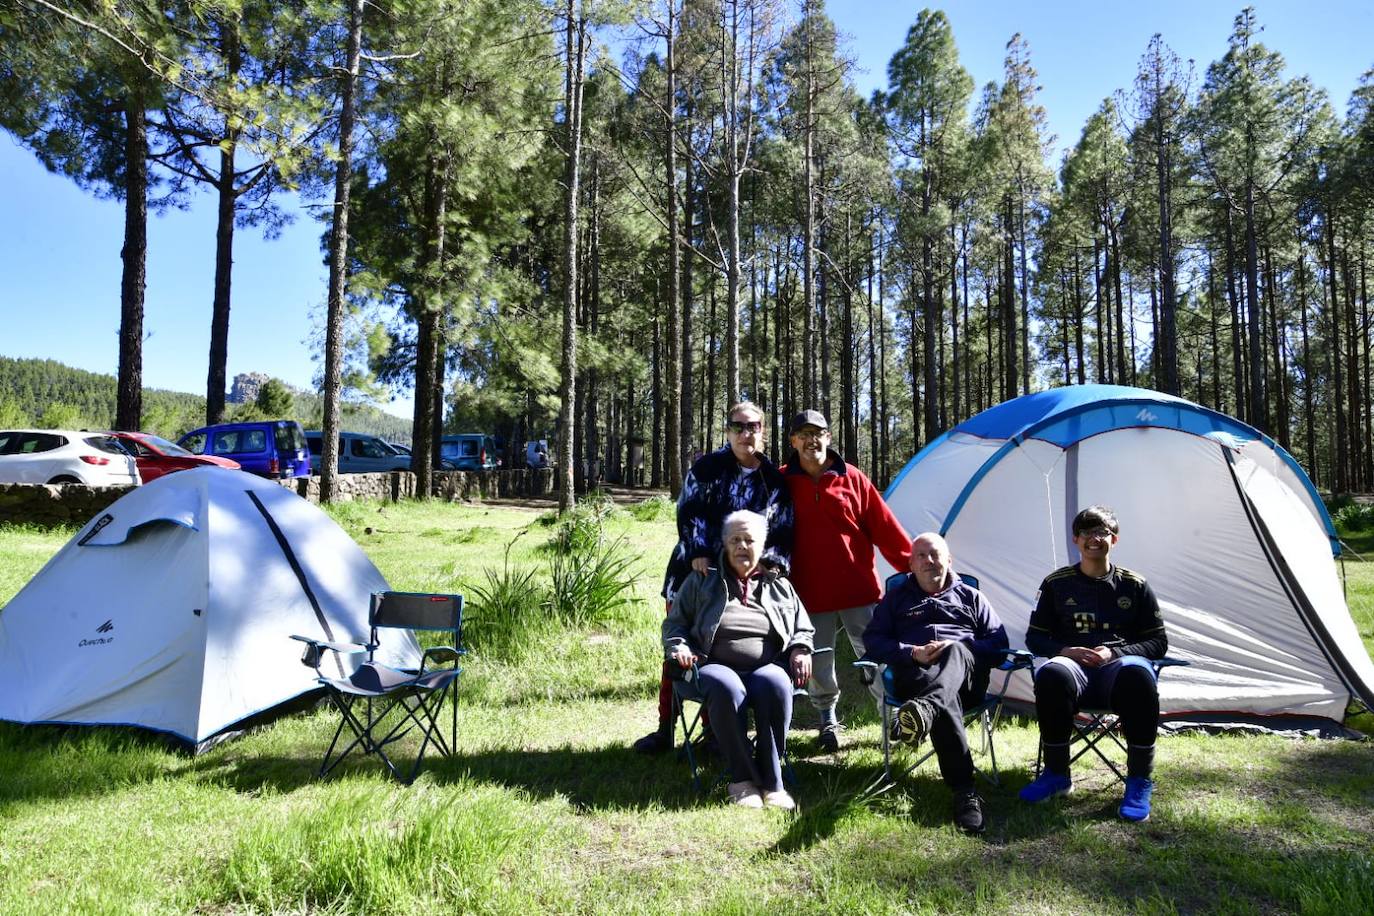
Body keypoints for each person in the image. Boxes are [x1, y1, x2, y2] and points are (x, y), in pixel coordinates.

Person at [633, 401, 794, 754]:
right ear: (728, 431)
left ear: (763, 431)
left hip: (746, 585)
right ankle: (665, 729)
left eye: (752, 426)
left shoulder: (773, 481)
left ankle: (717, 733)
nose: (745, 433)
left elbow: (782, 528)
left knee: (724, 652)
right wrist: (698, 552)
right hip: (695, 575)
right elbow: (689, 511)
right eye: (738, 426)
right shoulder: (707, 468)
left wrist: (773, 563)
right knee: (683, 648)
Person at [1018, 505, 1168, 823]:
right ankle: (1057, 774)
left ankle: (1139, 781)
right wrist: (1065, 650)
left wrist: (1115, 654)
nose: (1094, 539)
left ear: (1114, 539)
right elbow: (1034, 638)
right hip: (1075, 670)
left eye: (1101, 532)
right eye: (1086, 532)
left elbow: (1158, 643)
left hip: (1118, 670)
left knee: (1138, 674)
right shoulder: (1055, 584)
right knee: (1052, 673)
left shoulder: (1136, 585)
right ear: (1076, 539)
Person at [664, 510, 814, 809]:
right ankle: (742, 779)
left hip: (766, 665)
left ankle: (773, 783)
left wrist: (800, 648)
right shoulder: (701, 580)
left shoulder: (778, 584)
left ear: (763, 545)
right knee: (726, 686)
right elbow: (675, 624)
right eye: (735, 540)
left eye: (749, 540)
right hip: (712, 665)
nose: (742, 546)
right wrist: (678, 647)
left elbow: (803, 627)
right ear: (723, 544)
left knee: (774, 683)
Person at [782, 409, 911, 752]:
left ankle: (894, 716)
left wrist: (912, 565)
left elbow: (885, 527)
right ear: (793, 441)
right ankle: (827, 721)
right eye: (804, 434)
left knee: (877, 653)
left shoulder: (852, 477)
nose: (812, 440)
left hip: (859, 589)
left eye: (818, 433)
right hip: (808, 593)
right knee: (818, 660)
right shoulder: (780, 481)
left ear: (828, 437)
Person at [863, 533, 1009, 833]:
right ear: (911, 564)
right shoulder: (897, 598)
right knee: (943, 696)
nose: (930, 561)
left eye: (936, 555)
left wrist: (964, 647)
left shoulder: (971, 597)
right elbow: (873, 642)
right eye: (922, 556)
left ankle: (925, 712)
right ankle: (965, 793)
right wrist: (912, 653)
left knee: (955, 650)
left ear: (949, 560)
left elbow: (998, 644)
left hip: (967, 682)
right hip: (915, 676)